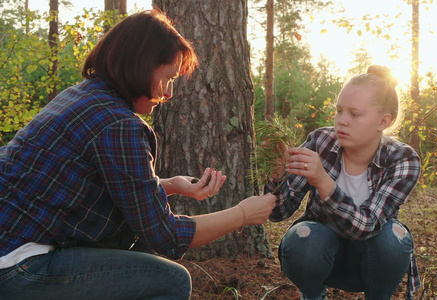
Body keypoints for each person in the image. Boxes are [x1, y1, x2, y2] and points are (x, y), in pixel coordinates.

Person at [0, 9, 276, 300]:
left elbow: (84, 188)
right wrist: (243, 214)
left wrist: (168, 185)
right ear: (140, 66)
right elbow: (166, 236)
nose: (169, 94)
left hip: (12, 247)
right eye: (168, 78)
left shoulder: (82, 96)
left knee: (138, 246)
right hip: (17, 265)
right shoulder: (119, 124)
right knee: (171, 279)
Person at [265, 65, 421, 300]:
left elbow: (366, 226)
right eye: (339, 111)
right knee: (303, 238)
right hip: (323, 252)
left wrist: (322, 180)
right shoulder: (321, 141)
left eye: (354, 114)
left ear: (383, 121)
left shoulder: (403, 159)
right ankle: (313, 295)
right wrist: (277, 174)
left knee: (393, 239)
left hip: (371, 260)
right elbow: (279, 212)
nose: (342, 121)